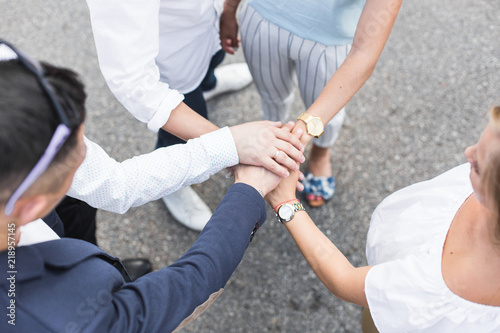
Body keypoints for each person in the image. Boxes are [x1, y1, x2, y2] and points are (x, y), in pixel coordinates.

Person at [0, 40, 297, 332]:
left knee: (77, 215)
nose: (88, 159)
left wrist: (228, 145)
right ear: (31, 206)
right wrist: (248, 191)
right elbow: (190, 284)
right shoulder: (67, 318)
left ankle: (106, 271)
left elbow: (113, 183)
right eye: (80, 157)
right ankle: (109, 282)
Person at [265, 106, 500, 332]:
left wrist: (285, 202)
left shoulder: (436, 285)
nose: (468, 152)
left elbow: (343, 280)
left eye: (478, 164)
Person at [85, 0, 258, 230]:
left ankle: (209, 83)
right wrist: (229, 145)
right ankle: (174, 185)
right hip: (172, 57)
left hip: (209, 26)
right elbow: (134, 82)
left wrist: (229, 10)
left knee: (211, 63)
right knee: (179, 127)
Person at [220, 0, 402, 206]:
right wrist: (229, 9)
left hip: (331, 36)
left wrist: (300, 133)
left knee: (328, 114)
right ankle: (272, 140)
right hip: (262, 17)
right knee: (271, 97)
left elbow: (365, 53)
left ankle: (320, 152)